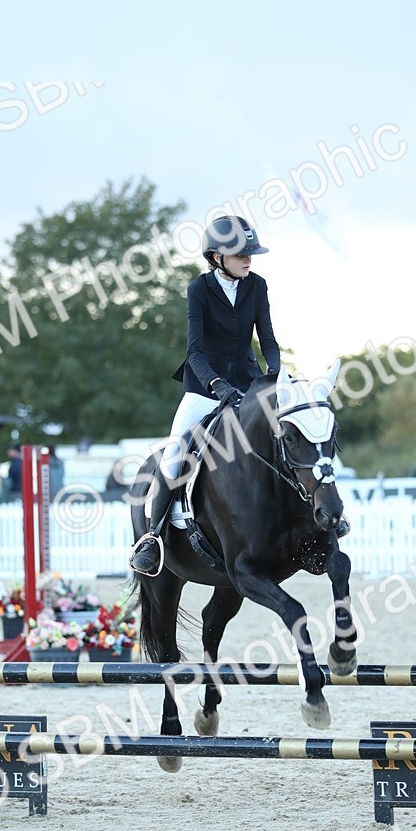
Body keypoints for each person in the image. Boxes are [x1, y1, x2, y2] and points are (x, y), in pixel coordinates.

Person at [129, 214, 281, 576]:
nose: (249, 260)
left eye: (251, 254)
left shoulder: (257, 286)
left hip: (247, 382)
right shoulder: (199, 290)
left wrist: (274, 374)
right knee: (176, 451)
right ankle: (154, 537)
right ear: (217, 257)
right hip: (203, 386)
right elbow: (195, 351)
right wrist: (216, 385)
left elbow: (269, 340)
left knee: (283, 435)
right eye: (242, 254)